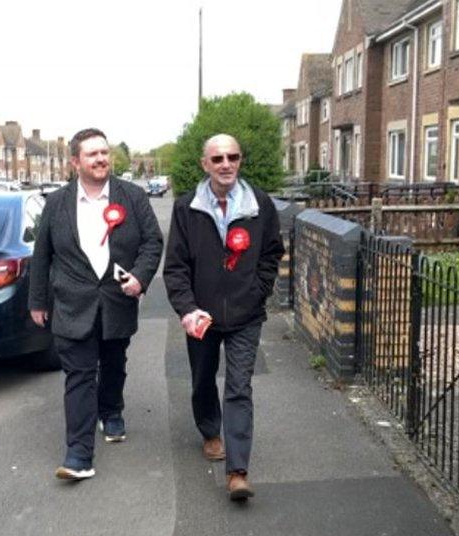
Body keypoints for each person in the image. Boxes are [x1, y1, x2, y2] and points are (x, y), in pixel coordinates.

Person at [29, 128, 163, 480]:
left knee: (114, 363)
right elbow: (42, 254)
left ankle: (112, 409)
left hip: (117, 300)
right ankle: (78, 454)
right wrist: (37, 301)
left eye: (105, 152)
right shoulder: (57, 203)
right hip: (72, 303)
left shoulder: (131, 196)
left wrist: (141, 276)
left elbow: (152, 241)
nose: (102, 159)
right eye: (93, 154)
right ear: (75, 162)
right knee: (79, 376)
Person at [163, 134, 285, 500]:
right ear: (205, 164)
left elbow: (271, 254)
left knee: (238, 387)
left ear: (240, 160)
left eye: (232, 157)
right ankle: (209, 430)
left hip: (246, 316)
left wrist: (257, 291)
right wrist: (187, 309)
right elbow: (176, 268)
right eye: (217, 159)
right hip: (201, 316)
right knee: (202, 380)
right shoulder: (187, 209)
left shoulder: (259, 205)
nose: (226, 164)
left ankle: (238, 471)